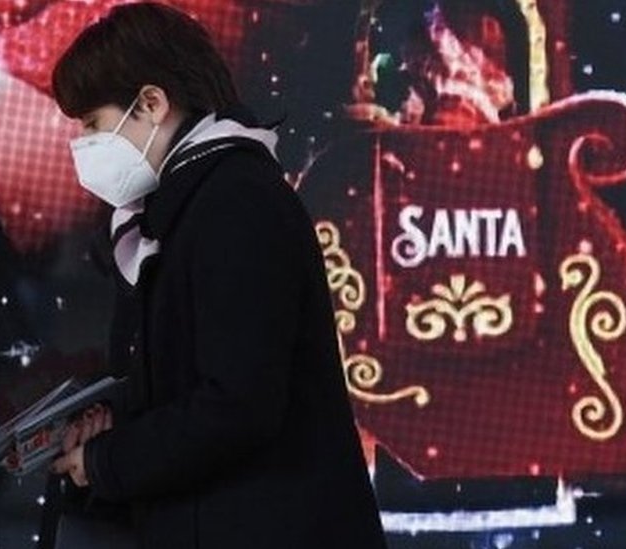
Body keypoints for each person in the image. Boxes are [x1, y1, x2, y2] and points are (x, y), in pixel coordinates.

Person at [48, 3, 388, 548]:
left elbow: (237, 404)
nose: (82, 145)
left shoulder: (235, 203)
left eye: (93, 124)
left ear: (152, 103)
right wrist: (113, 423)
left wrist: (109, 461)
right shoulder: (171, 212)